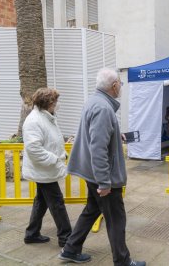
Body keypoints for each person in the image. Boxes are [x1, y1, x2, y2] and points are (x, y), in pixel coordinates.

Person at [58, 68, 145, 266]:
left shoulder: (94, 101)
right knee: (116, 218)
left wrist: (116, 135)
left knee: (92, 209)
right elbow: (98, 149)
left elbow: (96, 136)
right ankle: (122, 261)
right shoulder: (104, 109)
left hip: (91, 172)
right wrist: (105, 182)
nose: (121, 87)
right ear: (114, 86)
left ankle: (70, 249)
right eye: (120, 84)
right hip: (102, 176)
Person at [22, 88, 72, 248]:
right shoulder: (34, 121)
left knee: (41, 201)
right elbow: (34, 149)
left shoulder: (46, 117)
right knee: (57, 202)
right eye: (55, 102)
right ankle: (66, 239)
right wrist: (55, 159)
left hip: (46, 169)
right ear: (48, 103)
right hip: (44, 169)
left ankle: (32, 233)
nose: (57, 104)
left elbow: (52, 140)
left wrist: (61, 154)